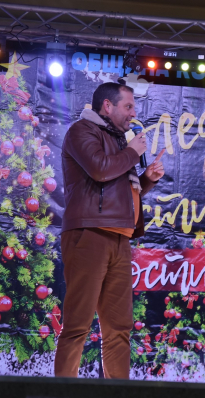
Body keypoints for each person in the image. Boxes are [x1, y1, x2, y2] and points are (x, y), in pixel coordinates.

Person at [55, 82, 164, 379]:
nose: (133, 113)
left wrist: (147, 179)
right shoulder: (82, 131)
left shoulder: (119, 140)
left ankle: (118, 393)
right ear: (107, 106)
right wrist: (132, 152)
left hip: (120, 237)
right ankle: (62, 393)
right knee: (77, 324)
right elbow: (100, 169)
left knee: (119, 327)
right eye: (128, 106)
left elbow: (119, 191)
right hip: (89, 234)